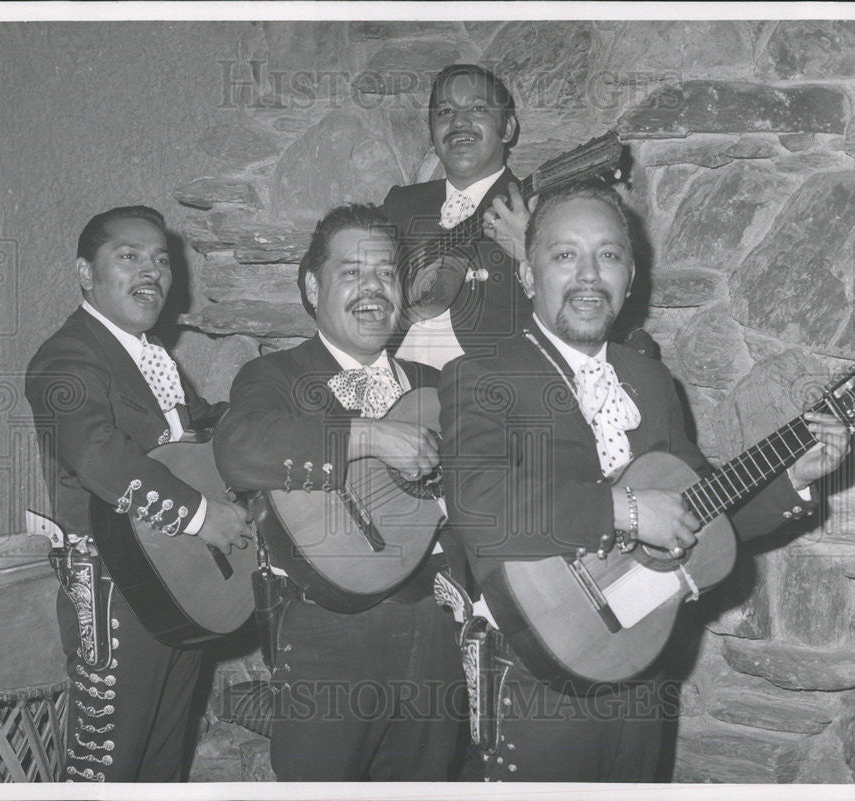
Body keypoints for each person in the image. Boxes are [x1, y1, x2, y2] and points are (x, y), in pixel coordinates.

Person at [437, 179, 852, 782]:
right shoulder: (480, 376)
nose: (587, 274)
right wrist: (626, 511)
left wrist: (793, 479)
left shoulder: (651, 381)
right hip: (535, 680)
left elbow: (700, 511)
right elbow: (480, 507)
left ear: (629, 279)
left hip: (643, 669)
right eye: (563, 255)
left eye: (607, 255)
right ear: (528, 276)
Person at [214, 204, 464, 781]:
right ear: (311, 286)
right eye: (351, 273)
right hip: (327, 639)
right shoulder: (275, 376)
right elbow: (239, 449)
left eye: (385, 273)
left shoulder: (440, 385)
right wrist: (371, 435)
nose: (372, 288)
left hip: (436, 634)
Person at [26, 205, 251, 782]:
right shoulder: (66, 358)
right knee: (109, 766)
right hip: (114, 594)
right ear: (85, 274)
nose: (150, 271)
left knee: (162, 763)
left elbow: (199, 429)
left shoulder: (154, 358)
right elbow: (99, 454)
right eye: (128, 256)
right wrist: (203, 517)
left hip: (180, 585)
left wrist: (268, 416)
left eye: (160, 260)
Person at [381, 63, 531, 369]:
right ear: (433, 134)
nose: (459, 122)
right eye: (445, 112)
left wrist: (530, 251)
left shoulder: (541, 210)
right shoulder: (401, 204)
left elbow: (583, 310)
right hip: (390, 387)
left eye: (477, 108)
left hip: (491, 397)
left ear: (508, 128)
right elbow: (320, 277)